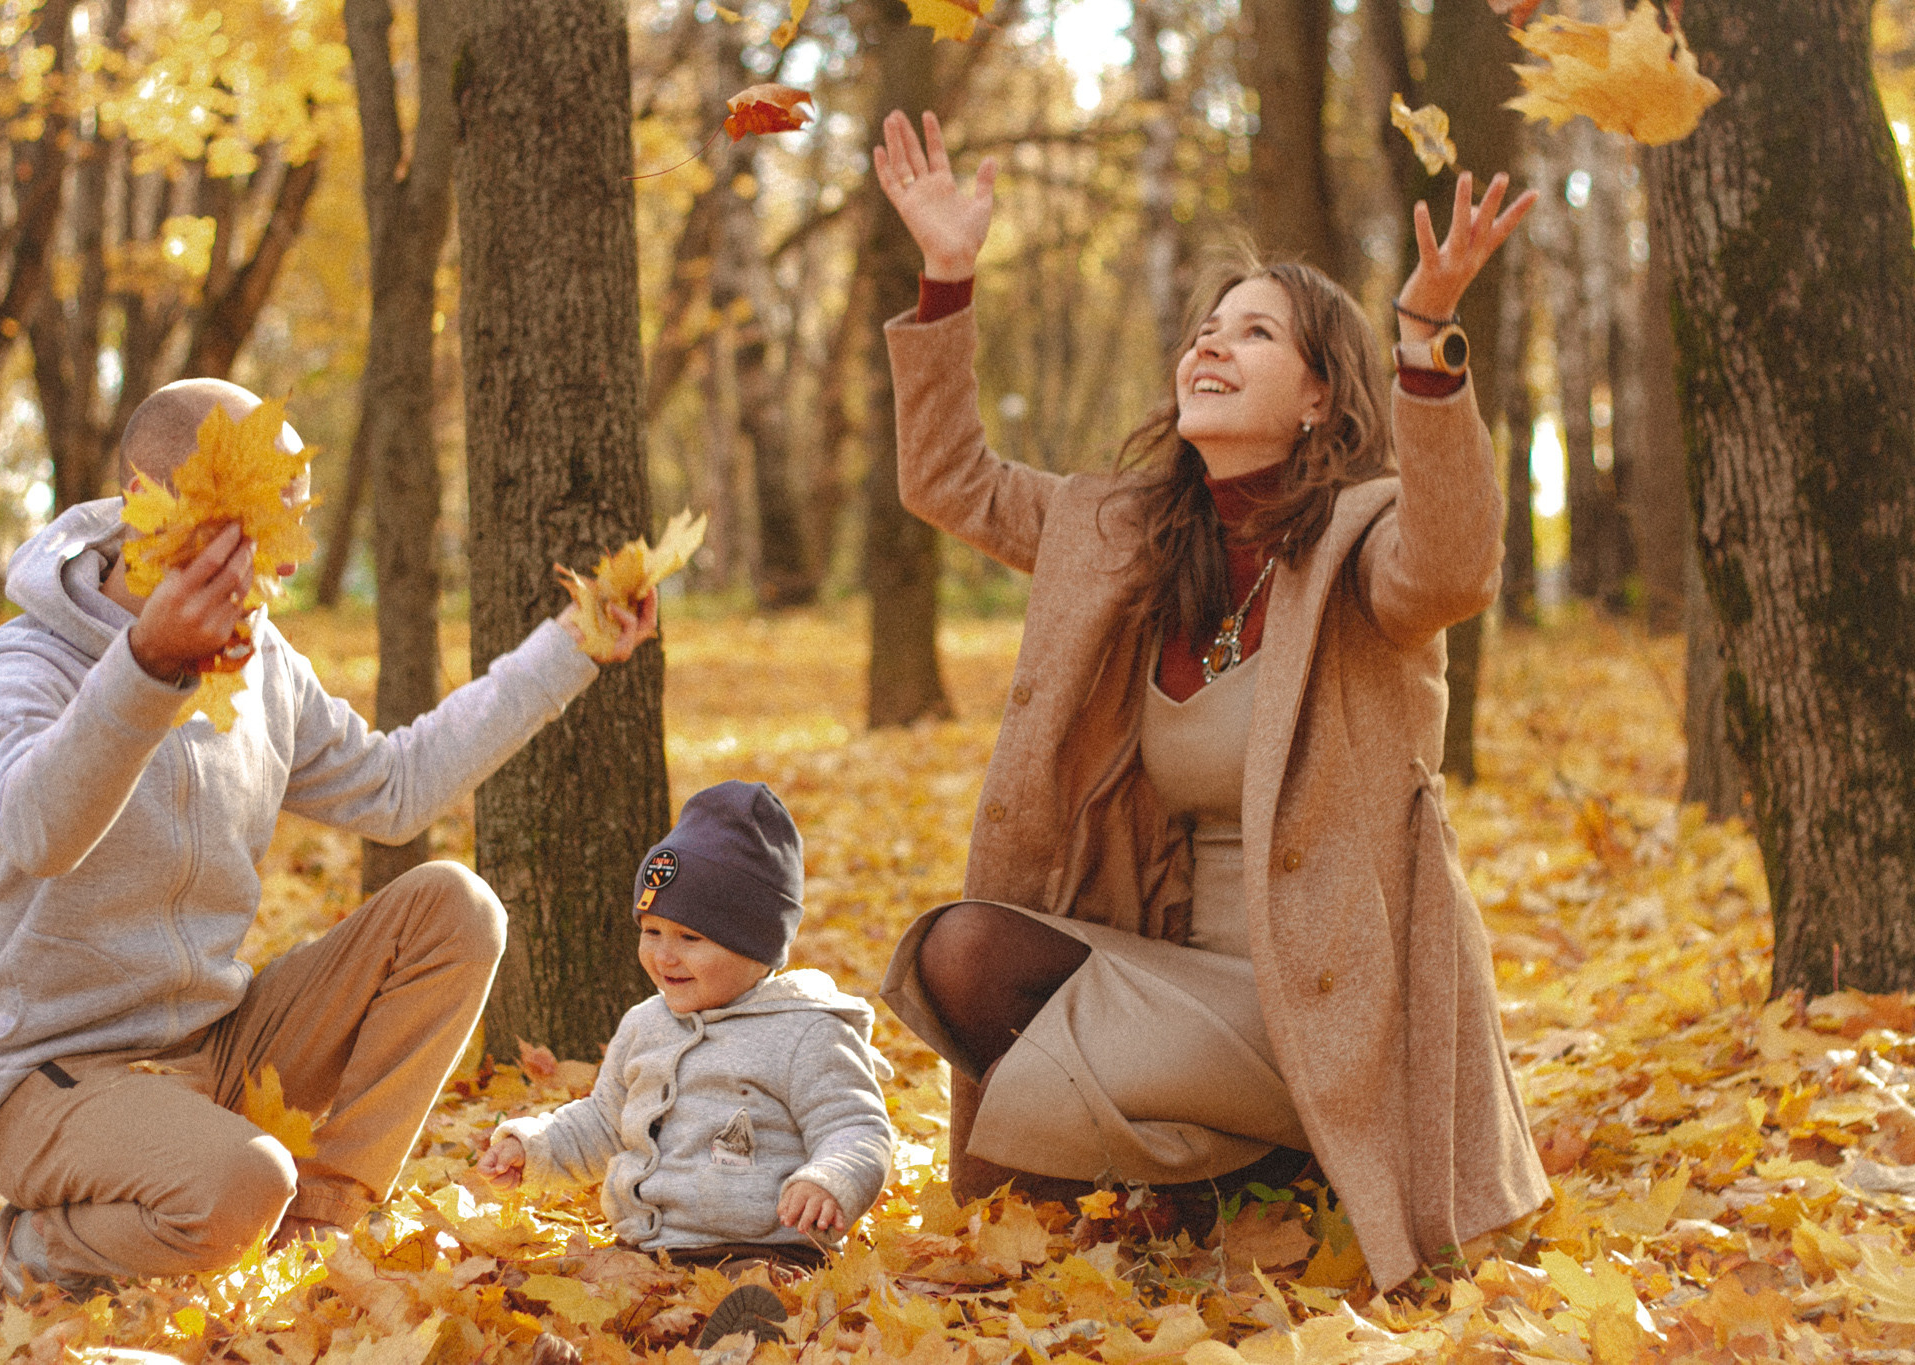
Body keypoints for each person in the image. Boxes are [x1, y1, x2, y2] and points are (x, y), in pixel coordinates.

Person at [868, 109, 1549, 1293]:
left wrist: (1428, 339)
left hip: (1332, 999)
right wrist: (945, 275)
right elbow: (947, 480)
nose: (1209, 348)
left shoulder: (1363, 542)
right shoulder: (1118, 535)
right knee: (961, 955)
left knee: (1025, 1012)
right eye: (1202, 331)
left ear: (1319, 402)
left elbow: (1454, 566)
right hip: (1174, 977)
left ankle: (1254, 1165)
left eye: (1253, 333)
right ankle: (1218, 1181)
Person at [0, 377, 658, 1295]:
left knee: (456, 908)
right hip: (57, 1080)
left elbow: (397, 788)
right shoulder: (21, 665)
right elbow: (36, 830)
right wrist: (145, 667)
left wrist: (571, 648)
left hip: (219, 1041)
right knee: (241, 1181)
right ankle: (39, 1248)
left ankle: (317, 1219)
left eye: (297, 522)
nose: (288, 562)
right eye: (263, 523)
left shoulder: (263, 659)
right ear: (148, 505)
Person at [478, 781, 892, 1344]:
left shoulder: (807, 1031)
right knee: (562, 1287)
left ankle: (729, 1347)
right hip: (647, 1249)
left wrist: (831, 1179)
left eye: (690, 938)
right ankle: (573, 1346)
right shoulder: (645, 1024)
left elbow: (856, 1126)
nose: (663, 955)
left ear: (756, 944)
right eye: (651, 932)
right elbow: (604, 1120)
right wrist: (534, 1147)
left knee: (759, 1299)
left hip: (762, 1247)